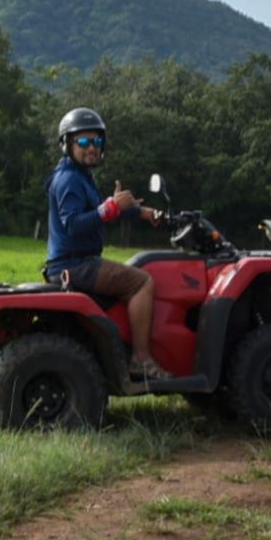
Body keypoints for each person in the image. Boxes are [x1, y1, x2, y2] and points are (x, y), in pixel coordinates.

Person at [45, 107, 165, 379]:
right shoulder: (68, 180)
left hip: (76, 262)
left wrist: (144, 213)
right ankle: (141, 359)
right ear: (67, 144)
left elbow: (101, 209)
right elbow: (73, 224)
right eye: (84, 142)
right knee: (141, 281)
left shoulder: (80, 176)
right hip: (75, 264)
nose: (92, 148)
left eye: (97, 142)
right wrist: (111, 207)